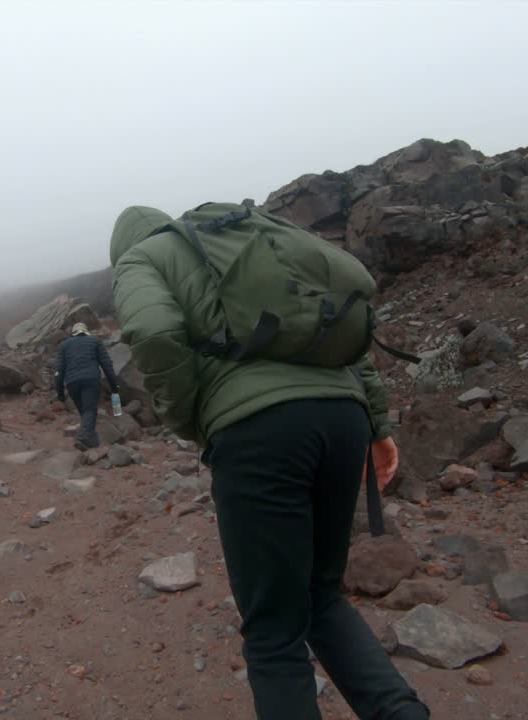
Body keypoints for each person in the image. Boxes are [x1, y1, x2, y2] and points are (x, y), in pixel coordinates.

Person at [110, 205, 431, 720]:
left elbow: (152, 332)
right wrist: (378, 426)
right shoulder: (239, 244)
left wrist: (194, 419)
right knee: (321, 597)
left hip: (260, 434)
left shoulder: (141, 260)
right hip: (343, 418)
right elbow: (346, 340)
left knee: (273, 629)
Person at [55, 322, 119, 450]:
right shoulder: (95, 341)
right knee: (90, 411)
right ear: (86, 331)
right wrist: (114, 387)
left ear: (73, 333)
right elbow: (107, 365)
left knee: (85, 413)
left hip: (72, 383)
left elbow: (59, 372)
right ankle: (83, 437)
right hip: (90, 380)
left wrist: (60, 394)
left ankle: (92, 442)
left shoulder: (64, 345)